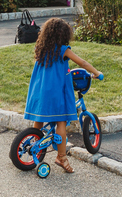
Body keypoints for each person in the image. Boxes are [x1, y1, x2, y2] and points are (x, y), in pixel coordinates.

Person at [24, 18, 101, 174]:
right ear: (64, 35)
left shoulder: (41, 48)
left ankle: (34, 142)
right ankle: (61, 157)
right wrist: (96, 72)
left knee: (38, 118)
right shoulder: (63, 50)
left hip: (39, 91)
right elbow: (83, 63)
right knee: (61, 121)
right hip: (55, 92)